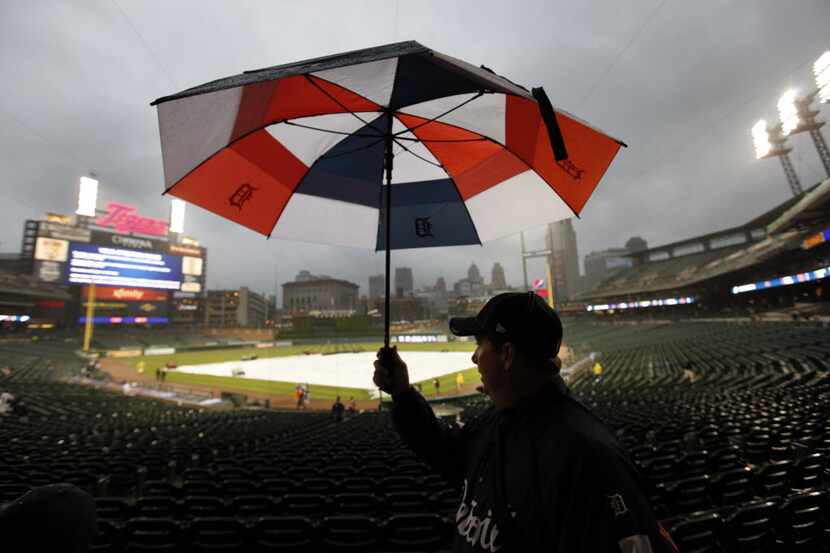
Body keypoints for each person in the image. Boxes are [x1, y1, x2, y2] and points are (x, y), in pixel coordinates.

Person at [374, 292, 677, 553]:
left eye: (480, 344)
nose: (474, 358)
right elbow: (446, 454)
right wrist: (403, 394)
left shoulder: (588, 456)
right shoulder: (501, 418)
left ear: (507, 354)